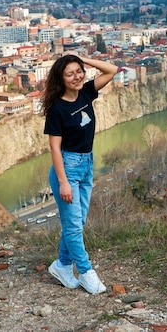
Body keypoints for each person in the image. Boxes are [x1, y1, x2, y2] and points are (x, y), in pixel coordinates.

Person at [42, 54, 118, 294]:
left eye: (79, 71)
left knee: (77, 222)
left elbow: (111, 70)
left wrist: (85, 59)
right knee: (74, 226)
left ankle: (63, 265)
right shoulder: (58, 109)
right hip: (68, 167)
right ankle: (86, 272)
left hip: (87, 163)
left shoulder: (86, 92)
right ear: (61, 79)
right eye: (70, 74)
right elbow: (54, 147)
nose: (76, 77)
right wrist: (63, 182)